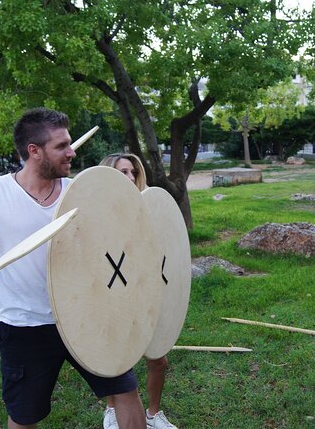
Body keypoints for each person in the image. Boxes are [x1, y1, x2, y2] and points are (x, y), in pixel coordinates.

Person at [0, 108, 146, 429]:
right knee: (25, 417)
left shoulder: (81, 193)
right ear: (34, 151)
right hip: (24, 327)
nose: (72, 151)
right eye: (62, 145)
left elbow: (114, 248)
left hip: (87, 315)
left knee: (126, 391)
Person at [99, 153, 178, 429]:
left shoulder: (148, 208)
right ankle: (111, 408)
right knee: (117, 362)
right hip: (116, 294)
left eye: (132, 172)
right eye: (122, 173)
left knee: (159, 360)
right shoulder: (99, 210)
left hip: (146, 293)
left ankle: (153, 414)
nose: (130, 178)